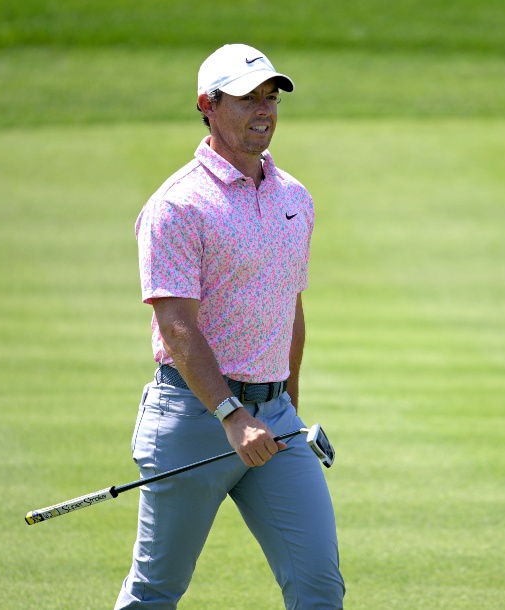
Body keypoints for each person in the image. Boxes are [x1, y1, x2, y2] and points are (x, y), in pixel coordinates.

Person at [114, 44, 345, 609]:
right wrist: (231, 415)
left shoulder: (295, 197)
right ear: (207, 105)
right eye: (247, 99)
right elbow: (177, 326)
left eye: (271, 97)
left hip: (275, 423)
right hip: (195, 419)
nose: (263, 110)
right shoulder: (177, 206)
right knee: (156, 590)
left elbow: (288, 306)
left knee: (319, 585)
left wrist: (285, 403)